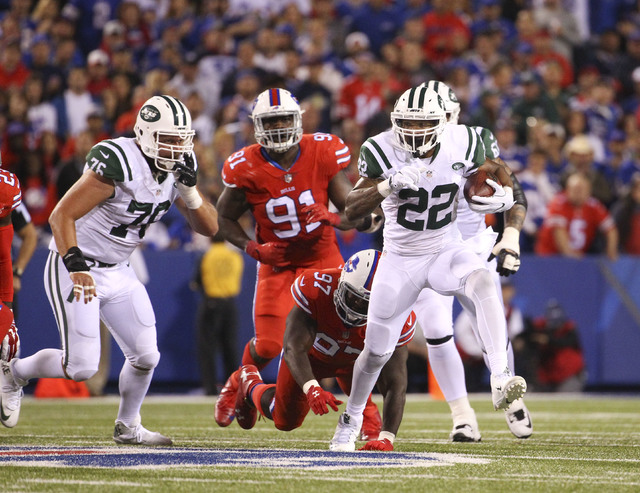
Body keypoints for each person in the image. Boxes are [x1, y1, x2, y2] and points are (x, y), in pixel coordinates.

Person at [1, 95, 218, 444]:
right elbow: (61, 215)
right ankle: (15, 373)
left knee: (147, 355)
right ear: (146, 134)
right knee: (81, 367)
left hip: (119, 268)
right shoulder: (120, 160)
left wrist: (190, 191)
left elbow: (209, 228)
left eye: (182, 139)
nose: (177, 147)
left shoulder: (179, 164)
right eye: (169, 139)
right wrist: (76, 266)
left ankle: (128, 426)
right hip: (75, 263)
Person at [330, 85, 527, 451]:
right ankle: (352, 417)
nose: (415, 131)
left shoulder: (465, 141)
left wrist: (498, 197)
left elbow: (503, 178)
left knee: (483, 279)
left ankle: (500, 375)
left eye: (423, 124)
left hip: (444, 247)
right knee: (375, 352)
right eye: (407, 122)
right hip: (401, 258)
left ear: (442, 122)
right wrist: (387, 185)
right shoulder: (380, 147)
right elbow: (352, 210)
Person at [214, 88, 383, 438]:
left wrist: (331, 218)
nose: (277, 127)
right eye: (270, 121)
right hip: (277, 265)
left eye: (283, 119)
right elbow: (224, 219)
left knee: (345, 337)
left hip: (323, 260)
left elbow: (351, 211)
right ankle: (241, 380)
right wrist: (252, 248)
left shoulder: (321, 151)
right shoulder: (245, 165)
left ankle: (364, 413)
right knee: (270, 347)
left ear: (298, 121)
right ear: (257, 126)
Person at [410, 80, 532, 442]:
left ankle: (508, 393)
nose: (438, 126)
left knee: (489, 322)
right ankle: (462, 416)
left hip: (473, 246)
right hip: (427, 248)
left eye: (443, 117)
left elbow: (514, 188)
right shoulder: (403, 145)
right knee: (435, 330)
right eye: (427, 120)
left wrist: (510, 235)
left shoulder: (474, 140)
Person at [234, 249, 415, 451]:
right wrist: (311, 387)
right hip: (312, 358)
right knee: (284, 421)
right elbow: (293, 347)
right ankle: (249, 383)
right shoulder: (318, 287)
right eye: (352, 296)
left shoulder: (398, 314)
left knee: (369, 368)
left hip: (354, 362)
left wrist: (387, 438)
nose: (354, 307)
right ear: (341, 281)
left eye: (366, 304)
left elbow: (395, 385)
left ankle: (368, 421)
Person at [191, 232, 244, 396]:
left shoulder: (207, 255)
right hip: (230, 303)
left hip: (211, 302)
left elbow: (196, 283)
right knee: (230, 347)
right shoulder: (235, 256)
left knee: (207, 348)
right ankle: (233, 388)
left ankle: (210, 388)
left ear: (210, 238)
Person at [535, 171, 618, 260]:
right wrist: (571, 255)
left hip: (578, 257)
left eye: (582, 189)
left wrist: (611, 251)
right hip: (550, 257)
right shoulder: (558, 203)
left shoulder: (593, 205)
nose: (578, 193)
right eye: (575, 189)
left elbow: (610, 229)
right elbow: (559, 233)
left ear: (589, 191)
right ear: (567, 190)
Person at [522, 299, 586, 392]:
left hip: (569, 377)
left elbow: (566, 342)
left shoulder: (569, 328)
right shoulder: (541, 326)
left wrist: (548, 340)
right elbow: (527, 333)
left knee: (566, 401)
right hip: (547, 378)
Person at [0, 167, 22, 428]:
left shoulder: (5, 189)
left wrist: (6, 304)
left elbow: (3, 253)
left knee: (9, 338)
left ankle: (10, 377)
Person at [10, 202, 38, 318]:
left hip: (2, 277)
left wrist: (17, 272)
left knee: (4, 333)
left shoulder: (4, 193)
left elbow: (30, 235)